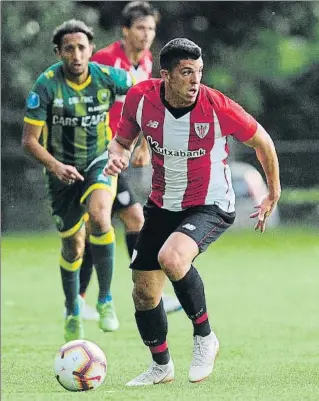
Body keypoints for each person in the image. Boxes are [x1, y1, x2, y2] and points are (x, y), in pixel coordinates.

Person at [104, 38, 281, 385]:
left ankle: (205, 338)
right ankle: (161, 366)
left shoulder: (217, 106)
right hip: (163, 203)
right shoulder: (140, 99)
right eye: (187, 73)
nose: (195, 80)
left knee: (173, 258)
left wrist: (273, 191)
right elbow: (121, 140)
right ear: (166, 74)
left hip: (210, 203)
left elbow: (263, 142)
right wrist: (117, 153)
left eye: (199, 72)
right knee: (143, 291)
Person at [22, 19, 134, 342]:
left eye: (82, 47)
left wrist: (127, 146)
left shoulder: (107, 77)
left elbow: (145, 96)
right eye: (68, 48)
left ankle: (106, 300)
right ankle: (73, 309)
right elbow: (29, 141)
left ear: (91, 50)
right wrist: (56, 166)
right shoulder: (45, 86)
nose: (76, 54)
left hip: (100, 161)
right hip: (61, 171)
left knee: (101, 217)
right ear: (58, 52)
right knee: (73, 246)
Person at [78, 0, 181, 317]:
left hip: (117, 153)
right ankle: (80, 299)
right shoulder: (106, 60)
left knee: (123, 219)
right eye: (140, 28)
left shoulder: (148, 61)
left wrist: (144, 144)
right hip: (98, 153)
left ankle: (141, 291)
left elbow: (141, 108)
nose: (147, 34)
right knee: (108, 220)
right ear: (125, 31)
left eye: (151, 28)